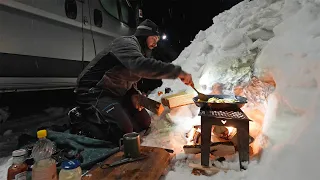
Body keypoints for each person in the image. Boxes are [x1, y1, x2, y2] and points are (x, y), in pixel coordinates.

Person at [70, 19, 193, 143]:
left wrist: (133, 93)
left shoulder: (139, 52)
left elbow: (129, 77)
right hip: (95, 91)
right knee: (125, 132)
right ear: (144, 35)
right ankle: (82, 118)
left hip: (116, 93)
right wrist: (177, 72)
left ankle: (115, 115)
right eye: (154, 39)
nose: (155, 44)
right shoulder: (126, 43)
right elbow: (140, 66)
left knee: (145, 122)